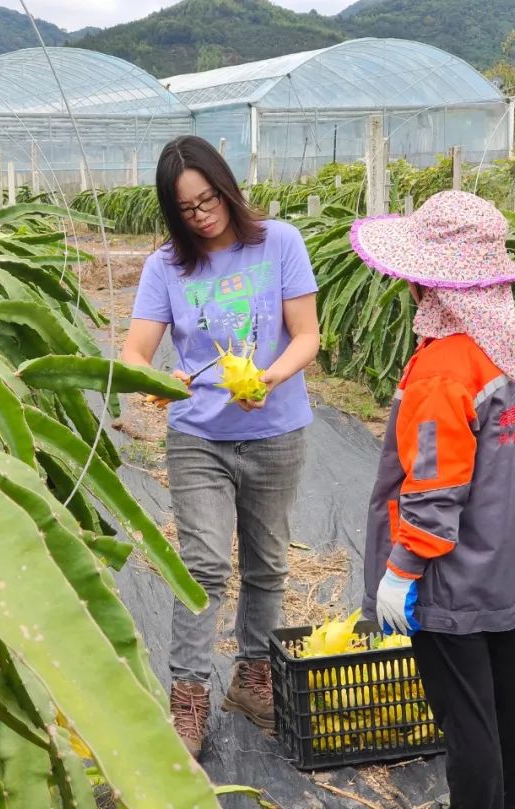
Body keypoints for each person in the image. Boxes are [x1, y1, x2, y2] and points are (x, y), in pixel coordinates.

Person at [351, 191, 515, 809]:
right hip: (511, 567)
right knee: (506, 697)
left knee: (466, 723)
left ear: (430, 287)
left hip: (452, 577)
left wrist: (401, 570)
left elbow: (435, 486)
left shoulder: (443, 368)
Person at [120, 135, 320, 758]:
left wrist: (271, 377)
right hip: (199, 437)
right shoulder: (166, 267)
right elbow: (134, 351)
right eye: (187, 208)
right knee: (202, 565)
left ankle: (252, 679)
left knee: (267, 564)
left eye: (209, 199)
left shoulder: (279, 242)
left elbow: (306, 335)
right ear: (171, 212)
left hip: (276, 430)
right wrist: (160, 380)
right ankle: (189, 695)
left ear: (227, 188)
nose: (202, 214)